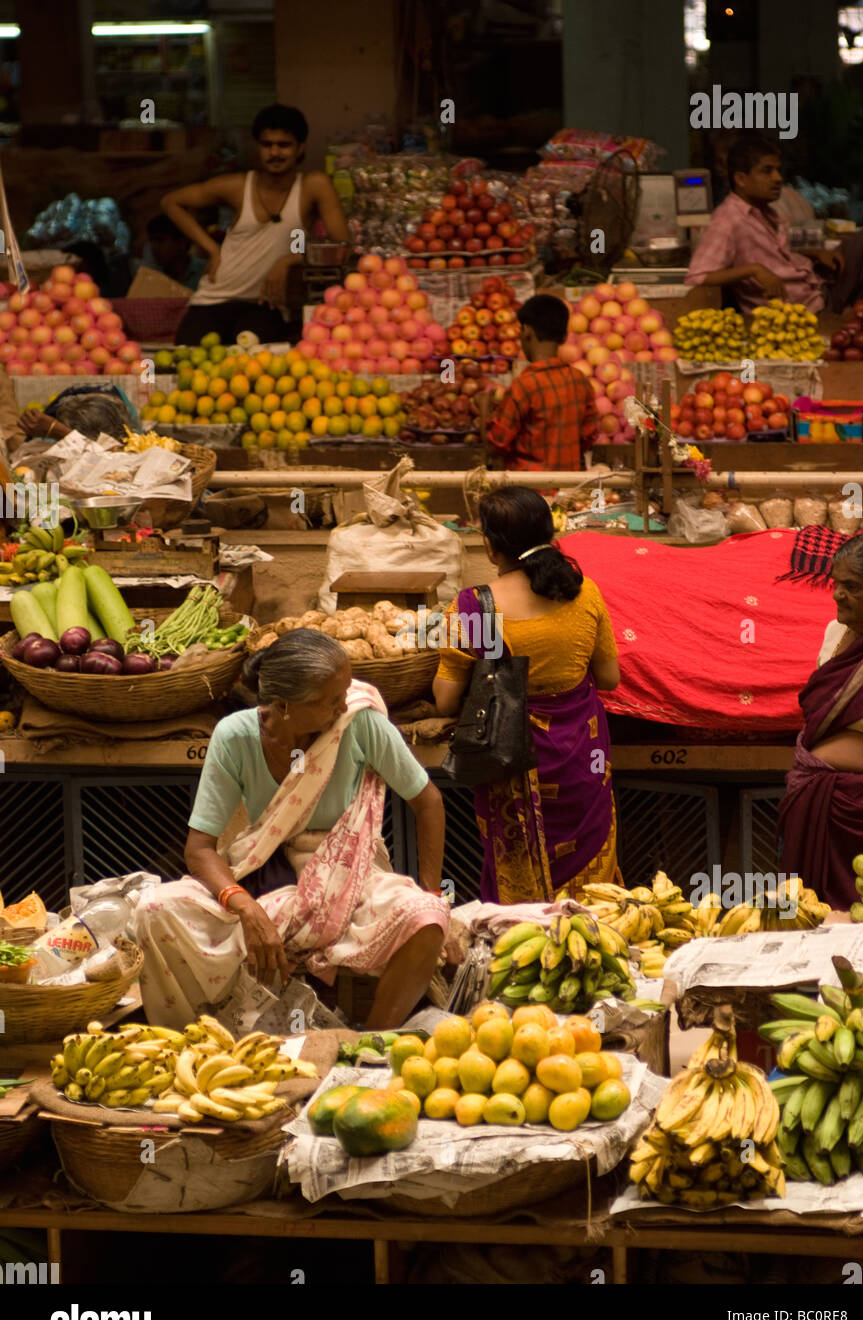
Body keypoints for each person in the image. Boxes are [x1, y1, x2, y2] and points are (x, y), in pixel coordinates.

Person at [131, 631, 448, 1029]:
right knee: (155, 909)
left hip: (349, 875)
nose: (342, 706)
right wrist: (245, 907)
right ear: (283, 706)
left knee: (428, 917)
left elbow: (428, 801)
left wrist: (433, 890)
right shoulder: (235, 736)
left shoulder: (359, 723)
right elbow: (200, 849)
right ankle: (194, 1037)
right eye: (330, 700)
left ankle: (370, 1040)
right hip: (262, 872)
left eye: (344, 692)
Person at [433, 486, 620, 903]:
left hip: (510, 758)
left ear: (491, 544)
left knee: (518, 878)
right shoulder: (584, 592)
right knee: (591, 890)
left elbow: (446, 702)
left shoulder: (475, 608)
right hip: (581, 759)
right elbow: (609, 678)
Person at [162, 104, 350, 345]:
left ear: (300, 148)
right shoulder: (238, 186)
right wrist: (211, 249)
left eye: (284, 145)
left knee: (249, 356)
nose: (275, 152)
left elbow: (342, 247)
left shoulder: (313, 185)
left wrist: (292, 259)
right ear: (257, 147)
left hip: (266, 305)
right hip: (213, 298)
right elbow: (171, 202)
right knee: (186, 359)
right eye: (267, 144)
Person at [778, 531, 863, 910]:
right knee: (822, 917)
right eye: (836, 584)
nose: (837, 595)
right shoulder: (835, 636)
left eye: (852, 586)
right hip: (823, 805)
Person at [686, 136, 863, 315]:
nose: (778, 178)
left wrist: (815, 252)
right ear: (741, 179)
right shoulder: (727, 220)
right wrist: (754, 270)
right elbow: (697, 276)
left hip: (818, 287)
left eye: (778, 170)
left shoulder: (765, 211)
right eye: (767, 171)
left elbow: (778, 250)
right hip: (804, 311)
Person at [486, 294, 598, 472]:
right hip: (569, 490)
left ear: (527, 332)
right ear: (563, 337)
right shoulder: (580, 381)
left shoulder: (523, 386)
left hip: (529, 492)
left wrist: (484, 410)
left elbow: (497, 444)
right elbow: (589, 435)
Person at [139, 213, 207, 291]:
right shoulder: (152, 278)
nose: (154, 247)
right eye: (152, 241)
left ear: (181, 243)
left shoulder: (206, 272)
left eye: (160, 241)